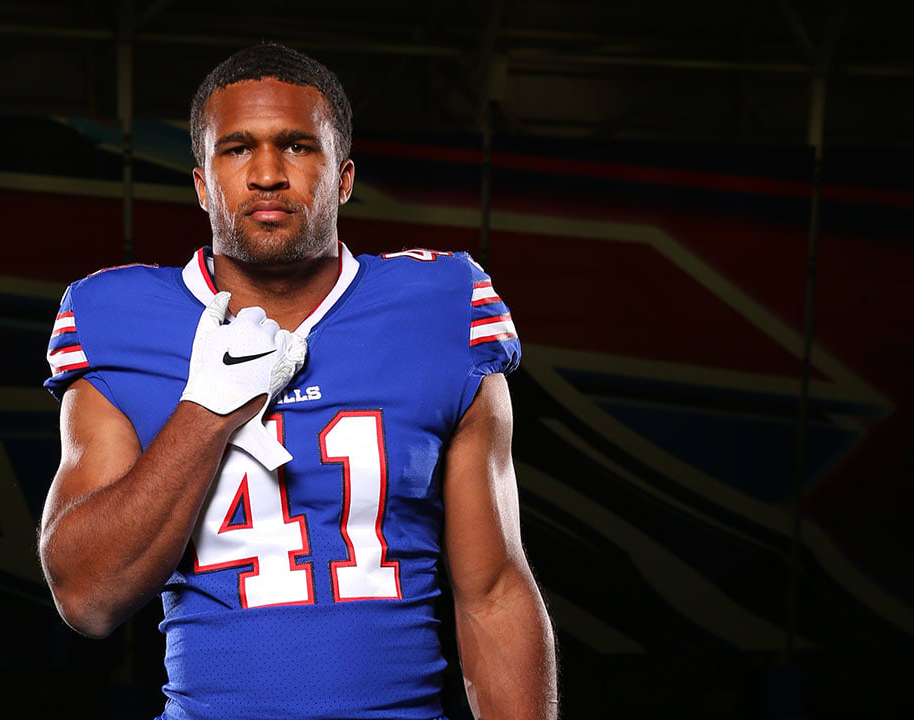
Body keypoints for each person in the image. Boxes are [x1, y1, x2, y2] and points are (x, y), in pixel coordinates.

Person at [38, 43, 557, 720]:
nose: (266, 175)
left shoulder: (439, 305)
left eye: (296, 146)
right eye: (236, 149)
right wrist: (206, 412)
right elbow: (87, 597)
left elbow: (491, 589)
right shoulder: (117, 316)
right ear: (201, 183)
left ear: (342, 177)